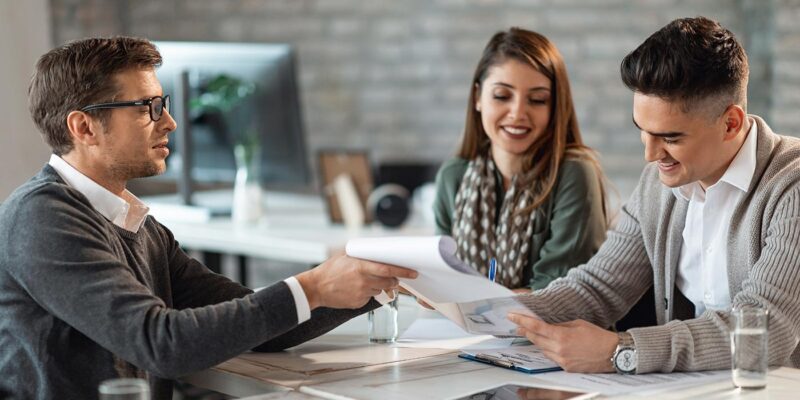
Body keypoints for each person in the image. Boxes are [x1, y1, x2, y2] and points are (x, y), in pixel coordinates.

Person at [0, 36, 417, 400]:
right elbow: (160, 344)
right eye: (149, 107)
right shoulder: (42, 218)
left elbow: (260, 324)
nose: (170, 121)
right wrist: (311, 286)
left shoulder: (136, 224)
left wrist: (372, 282)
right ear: (84, 127)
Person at [509, 16, 800, 374]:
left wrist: (621, 351)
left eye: (671, 138)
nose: (650, 155)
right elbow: (598, 288)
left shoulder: (791, 187)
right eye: (643, 132)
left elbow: (764, 331)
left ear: (731, 123)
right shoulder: (659, 182)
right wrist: (482, 308)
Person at [433, 27, 609, 292]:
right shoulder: (453, 176)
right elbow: (443, 275)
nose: (517, 113)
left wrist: (468, 301)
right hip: (468, 330)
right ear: (478, 98)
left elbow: (556, 292)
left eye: (537, 100)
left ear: (554, 107)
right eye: (502, 96)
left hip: (553, 331)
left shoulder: (574, 174)